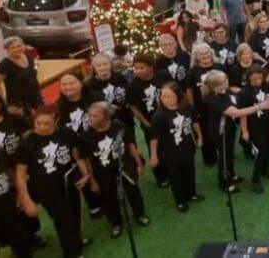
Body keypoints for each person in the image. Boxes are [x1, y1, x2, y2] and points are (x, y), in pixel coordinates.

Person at [15, 106, 90, 258]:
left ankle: (75, 241)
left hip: (69, 180)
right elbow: (20, 174)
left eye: (46, 123)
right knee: (63, 219)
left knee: (74, 213)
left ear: (56, 121)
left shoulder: (66, 132)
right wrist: (26, 199)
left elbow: (76, 154)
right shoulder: (26, 144)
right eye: (38, 123)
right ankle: (72, 253)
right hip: (46, 188)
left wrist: (85, 174)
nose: (42, 127)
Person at [79, 102, 150, 238]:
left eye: (95, 116)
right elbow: (87, 159)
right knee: (108, 198)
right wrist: (92, 180)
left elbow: (130, 145)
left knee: (133, 190)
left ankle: (140, 215)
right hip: (102, 170)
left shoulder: (120, 126)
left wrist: (138, 163)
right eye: (89, 115)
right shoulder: (86, 136)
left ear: (106, 116)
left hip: (124, 164)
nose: (90, 118)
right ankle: (116, 223)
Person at [201, 70, 269, 192]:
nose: (226, 82)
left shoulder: (225, 90)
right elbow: (237, 113)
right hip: (220, 131)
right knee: (225, 157)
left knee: (229, 153)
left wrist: (244, 90)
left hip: (229, 127)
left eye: (225, 79)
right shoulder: (213, 99)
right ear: (215, 86)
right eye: (223, 82)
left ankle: (231, 175)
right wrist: (260, 106)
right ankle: (225, 184)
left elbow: (233, 92)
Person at [149, 83, 203, 212]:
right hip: (170, 153)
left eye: (170, 96)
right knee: (175, 177)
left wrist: (200, 136)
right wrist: (154, 155)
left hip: (188, 148)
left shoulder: (187, 108)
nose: (166, 99)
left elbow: (194, 122)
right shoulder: (159, 116)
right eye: (163, 96)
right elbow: (154, 138)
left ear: (178, 96)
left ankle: (192, 194)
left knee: (190, 172)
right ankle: (181, 201)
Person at [127, 54, 169, 186]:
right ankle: (161, 177)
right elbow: (133, 107)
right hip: (149, 122)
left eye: (142, 67)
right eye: (136, 68)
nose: (138, 71)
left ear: (151, 67)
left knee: (169, 145)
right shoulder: (133, 85)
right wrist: (146, 123)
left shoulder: (163, 76)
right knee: (154, 149)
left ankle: (172, 172)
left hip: (167, 118)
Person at [184, 43, 227, 166]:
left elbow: (226, 85)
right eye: (201, 54)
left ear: (211, 52)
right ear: (196, 57)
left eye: (207, 52)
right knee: (206, 133)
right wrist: (192, 109)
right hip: (202, 108)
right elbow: (189, 92)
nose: (205, 56)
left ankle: (224, 152)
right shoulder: (193, 72)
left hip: (220, 106)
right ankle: (210, 158)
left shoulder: (220, 66)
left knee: (222, 130)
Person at [0, 136, 33, 257]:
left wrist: (20, 195)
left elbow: (12, 176)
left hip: (6, 204)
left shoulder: (0, 155)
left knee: (17, 236)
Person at [239, 66, 269, 194]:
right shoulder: (244, 92)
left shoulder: (266, 86)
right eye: (254, 79)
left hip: (268, 123)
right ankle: (256, 179)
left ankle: (266, 170)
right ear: (248, 78)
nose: (258, 80)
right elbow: (242, 114)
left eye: (260, 78)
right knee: (261, 151)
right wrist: (244, 131)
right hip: (254, 126)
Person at [0, 36, 42, 116]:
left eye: (18, 46)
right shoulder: (5, 64)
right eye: (12, 48)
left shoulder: (28, 57)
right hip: (19, 102)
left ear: (23, 46)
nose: (17, 49)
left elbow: (34, 72)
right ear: (7, 50)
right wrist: (3, 104)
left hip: (36, 97)